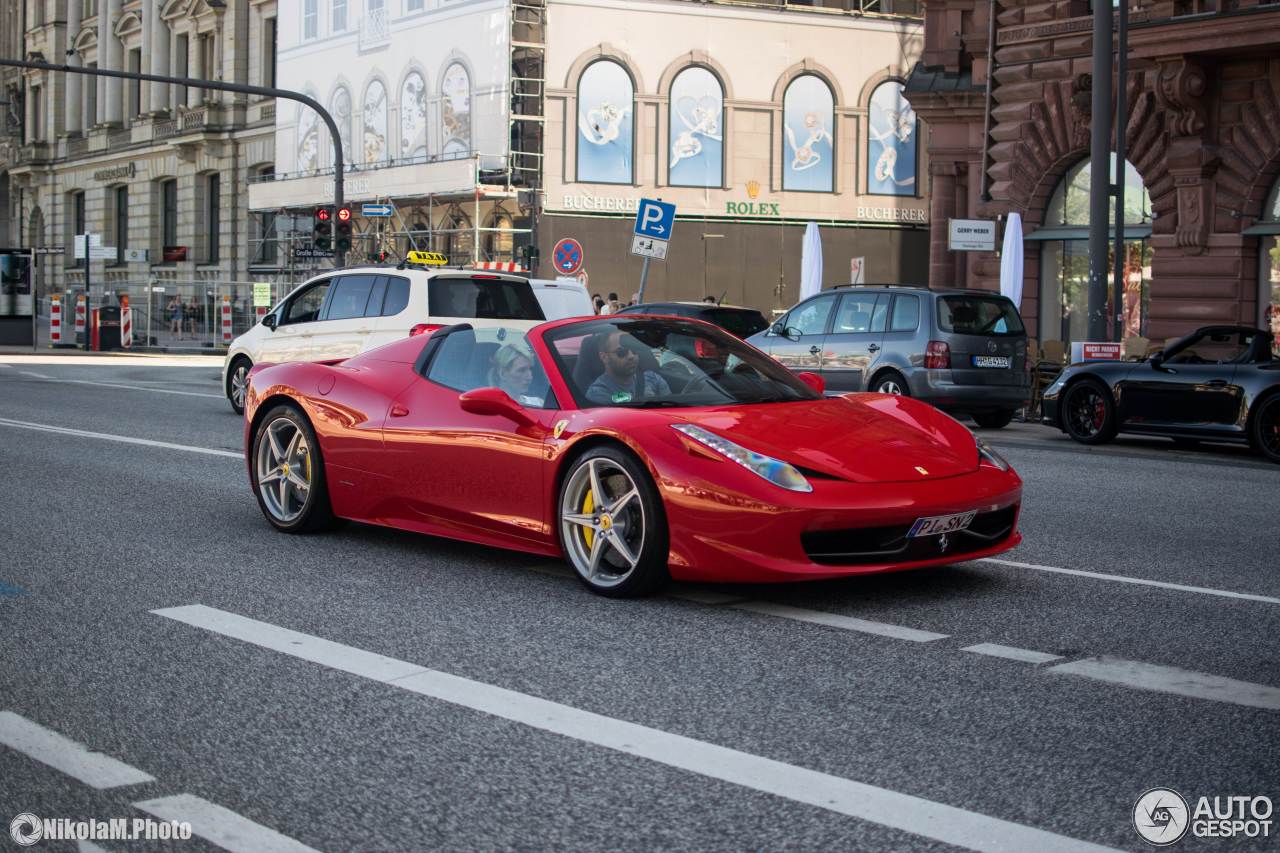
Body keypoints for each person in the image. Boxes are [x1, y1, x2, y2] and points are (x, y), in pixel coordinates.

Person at [585, 329, 671, 405]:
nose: (631, 356)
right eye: (622, 352)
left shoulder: (654, 379)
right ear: (604, 357)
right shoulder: (598, 393)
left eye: (634, 349)